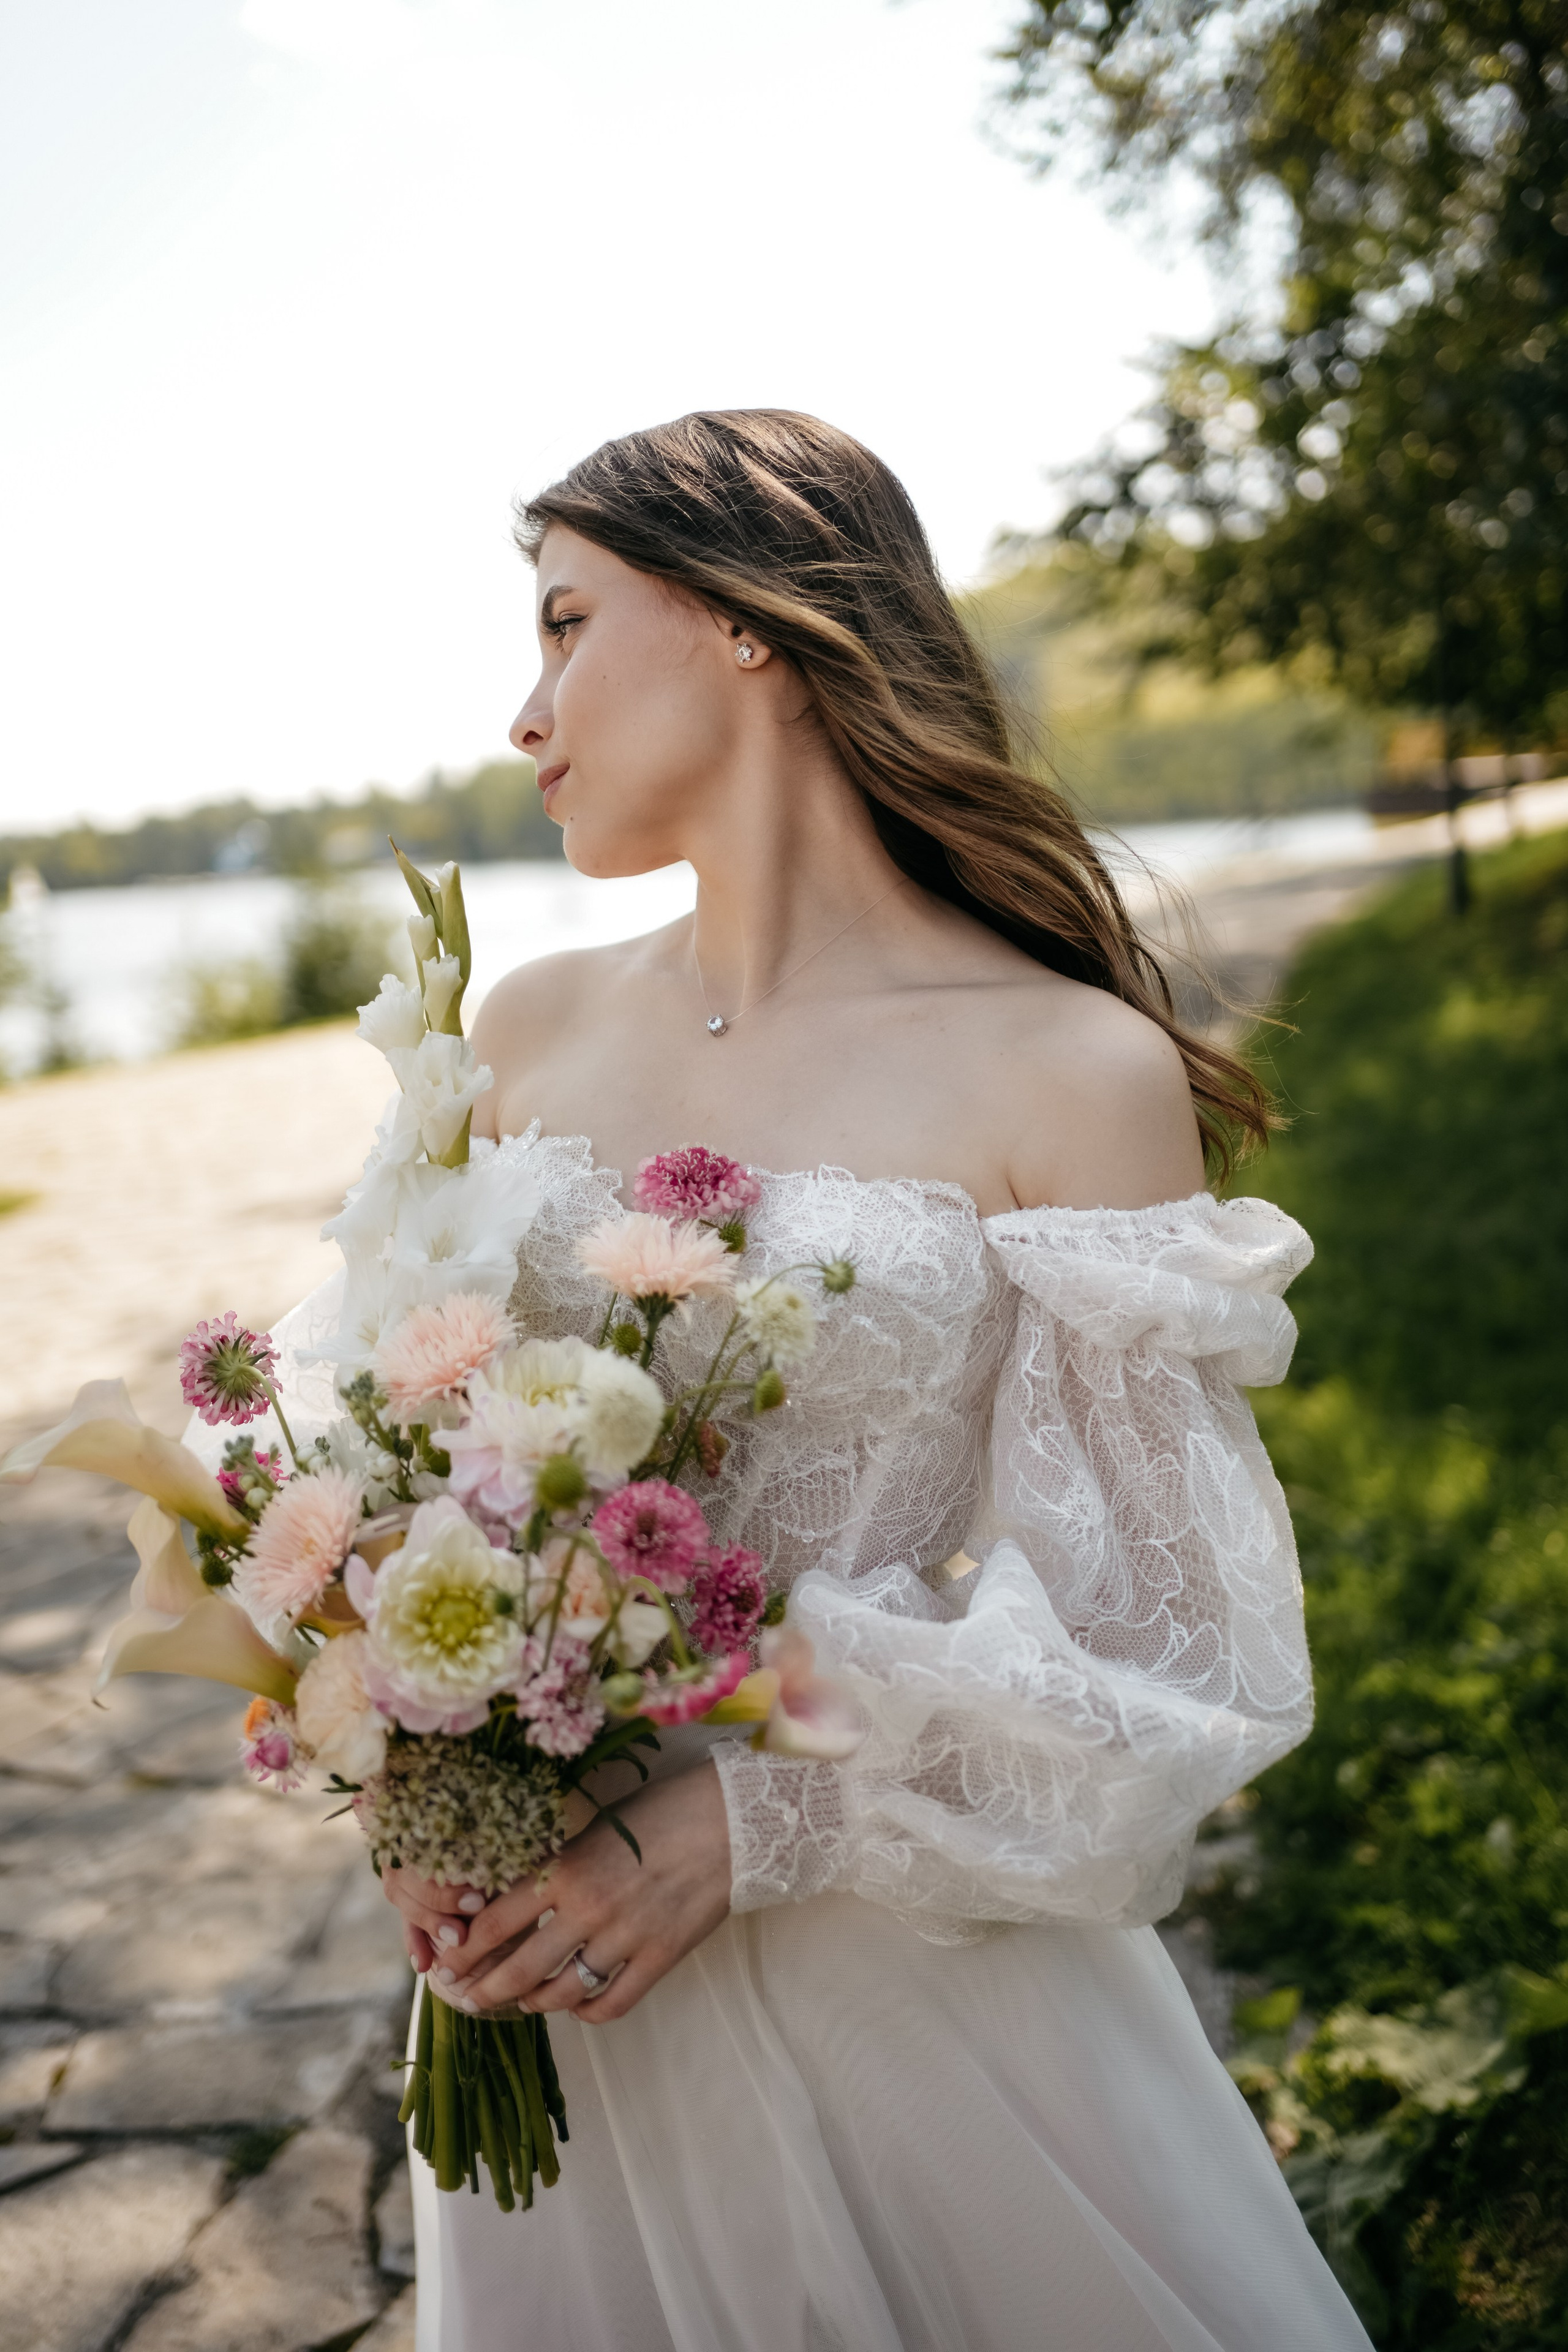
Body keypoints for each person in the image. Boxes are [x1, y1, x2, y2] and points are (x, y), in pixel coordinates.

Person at [365, 410, 1373, 2349]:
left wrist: (750, 1825)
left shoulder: (1064, 1070)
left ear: (749, 621)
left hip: (905, 1981)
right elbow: (408, 1439)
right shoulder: (530, 1028)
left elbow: (1169, 1644)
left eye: (569, 623)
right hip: (550, 1987)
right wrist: (409, 1761)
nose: (526, 708)